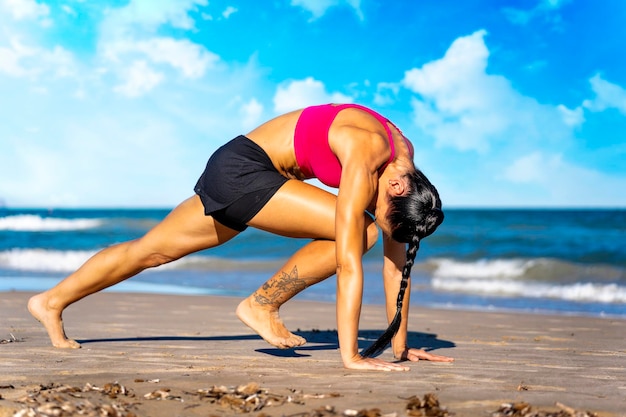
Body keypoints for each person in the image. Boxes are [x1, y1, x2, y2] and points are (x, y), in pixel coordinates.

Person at [28, 103, 454, 371]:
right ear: (398, 188)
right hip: (247, 172)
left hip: (238, 166)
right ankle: (261, 304)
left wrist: (400, 346)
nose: (373, 212)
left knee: (149, 252)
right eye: (382, 213)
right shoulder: (369, 153)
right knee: (359, 234)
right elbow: (348, 261)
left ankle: (49, 301)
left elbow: (398, 260)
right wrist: (352, 357)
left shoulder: (402, 170)